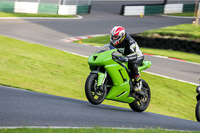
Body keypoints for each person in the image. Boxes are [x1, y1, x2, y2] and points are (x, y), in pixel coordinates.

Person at [110, 26, 144, 95]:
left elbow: (134, 55)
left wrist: (126, 58)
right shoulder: (113, 42)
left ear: (121, 36)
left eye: (116, 37)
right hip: (126, 56)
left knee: (132, 63)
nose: (114, 38)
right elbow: (108, 50)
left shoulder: (129, 41)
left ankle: (138, 82)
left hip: (137, 56)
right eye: (113, 36)